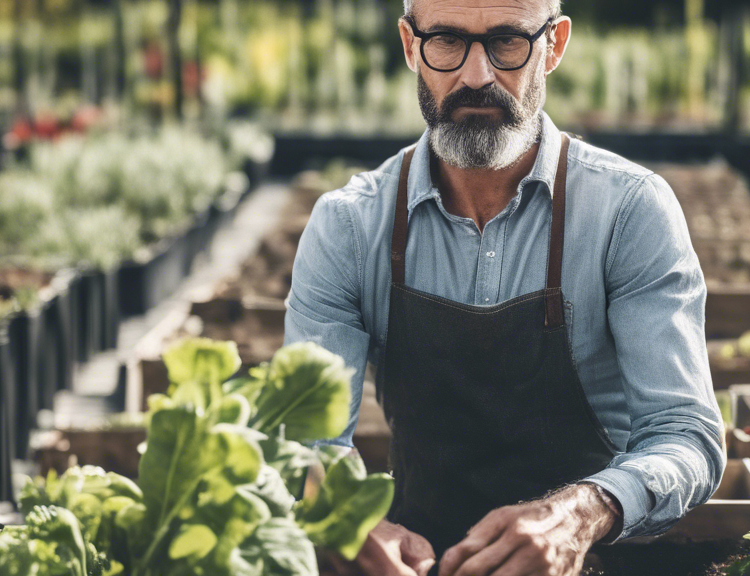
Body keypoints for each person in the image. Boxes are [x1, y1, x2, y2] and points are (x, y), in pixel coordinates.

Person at [284, 0, 726, 574]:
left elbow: (684, 433)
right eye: (446, 39)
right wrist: (344, 515)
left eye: (507, 42)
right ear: (410, 45)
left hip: (595, 560)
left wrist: (583, 512)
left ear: (555, 43)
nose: (476, 76)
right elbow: (305, 438)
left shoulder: (627, 211)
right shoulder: (349, 225)